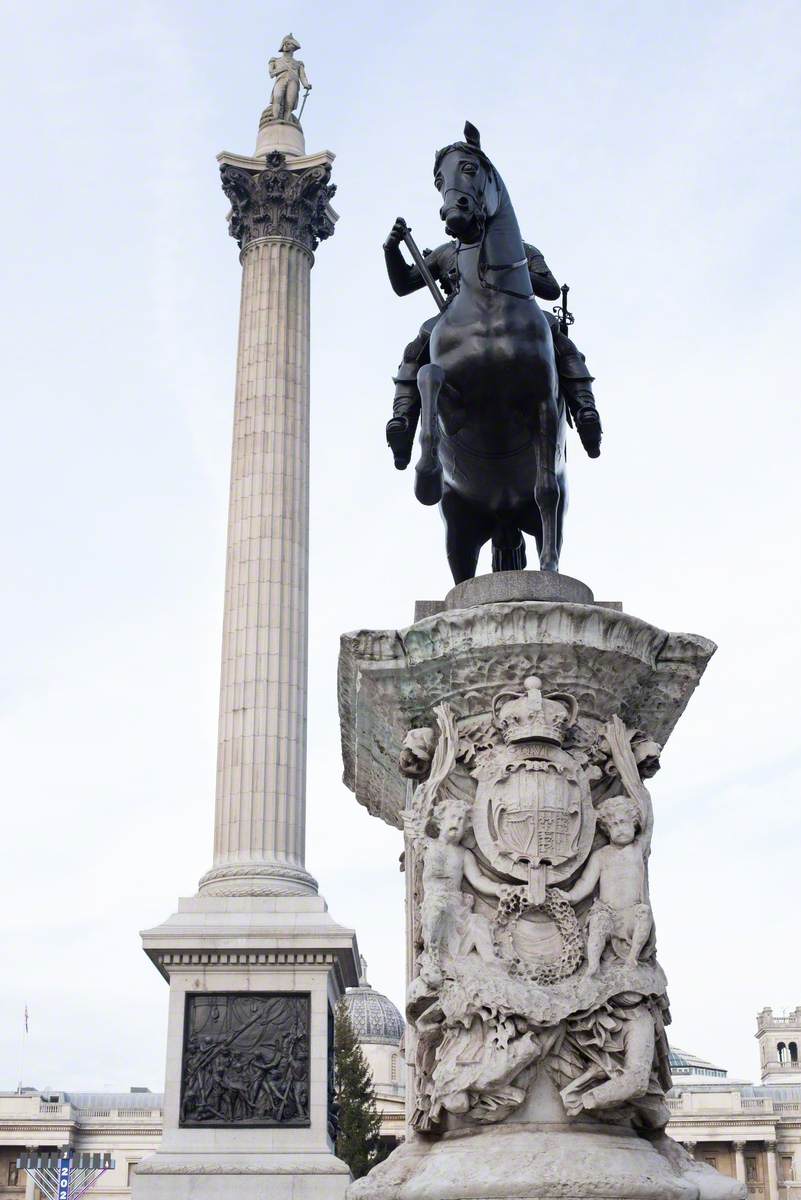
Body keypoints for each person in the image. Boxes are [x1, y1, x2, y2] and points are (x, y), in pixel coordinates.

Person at [382, 218, 602, 468]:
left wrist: (508, 271)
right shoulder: (445, 252)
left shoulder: (522, 250)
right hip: (456, 318)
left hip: (516, 314)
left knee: (562, 343)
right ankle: (403, 421)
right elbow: (404, 284)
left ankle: (585, 409)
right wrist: (391, 250)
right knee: (414, 351)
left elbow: (550, 289)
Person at [554, 792, 653, 976]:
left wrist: (633, 781)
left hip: (632, 911)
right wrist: (571, 896)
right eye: (614, 825)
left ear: (634, 823)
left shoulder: (638, 849)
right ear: (607, 829)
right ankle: (593, 966)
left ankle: (633, 957)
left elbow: (649, 820)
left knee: (644, 914)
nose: (620, 829)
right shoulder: (601, 855)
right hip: (608, 911)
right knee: (598, 922)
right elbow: (586, 882)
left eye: (624, 822)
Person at [265, 34, 310, 123]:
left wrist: (306, 85)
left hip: (293, 82)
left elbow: (302, 76)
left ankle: (287, 121)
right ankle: (275, 117)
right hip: (281, 80)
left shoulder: (298, 63)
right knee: (277, 97)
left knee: (290, 103)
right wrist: (282, 69)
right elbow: (271, 74)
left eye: (289, 44)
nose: (286, 45)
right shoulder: (275, 60)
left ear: (293, 47)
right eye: (285, 43)